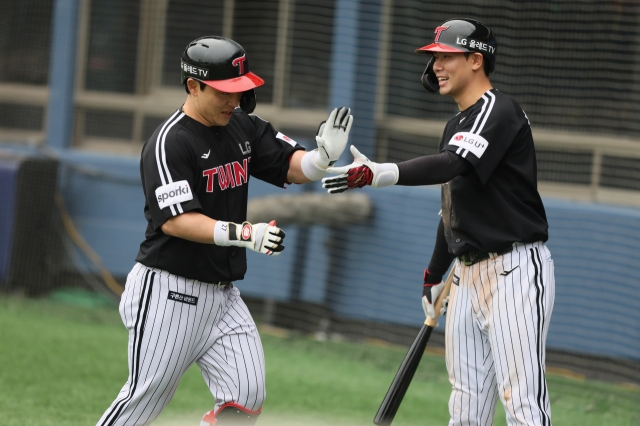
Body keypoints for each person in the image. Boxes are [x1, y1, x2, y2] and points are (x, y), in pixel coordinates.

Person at [96, 36, 352, 426]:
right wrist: (246, 234)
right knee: (143, 401)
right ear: (193, 85)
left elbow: (292, 167)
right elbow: (176, 220)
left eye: (240, 89)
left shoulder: (242, 126)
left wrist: (322, 158)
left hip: (222, 294)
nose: (234, 99)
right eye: (224, 91)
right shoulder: (170, 142)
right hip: (169, 291)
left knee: (246, 397)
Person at [323, 18, 555, 426]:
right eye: (434, 58)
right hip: (466, 276)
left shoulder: (498, 110)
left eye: (446, 56)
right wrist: (433, 275)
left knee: (523, 406)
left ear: (476, 60)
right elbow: (452, 206)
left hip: (513, 272)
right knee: (465, 408)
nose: (436, 67)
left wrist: (382, 172)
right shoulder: (456, 124)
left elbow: (454, 163)